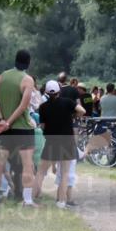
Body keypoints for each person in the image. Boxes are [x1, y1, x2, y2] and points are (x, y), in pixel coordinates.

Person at [0, 50, 37, 207]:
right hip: (22, 128)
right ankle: (27, 200)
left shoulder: (2, 76)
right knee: (27, 164)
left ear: (15, 60)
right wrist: (8, 122)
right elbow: (23, 106)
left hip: (4, 130)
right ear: (28, 63)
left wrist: (1, 120)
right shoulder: (27, 80)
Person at [34, 80, 85, 208]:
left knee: (41, 171)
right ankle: (61, 202)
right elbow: (82, 111)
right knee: (65, 173)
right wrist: (72, 115)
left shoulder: (43, 107)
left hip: (51, 141)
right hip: (67, 140)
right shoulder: (67, 102)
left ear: (46, 92)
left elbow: (43, 125)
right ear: (59, 91)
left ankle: (32, 199)